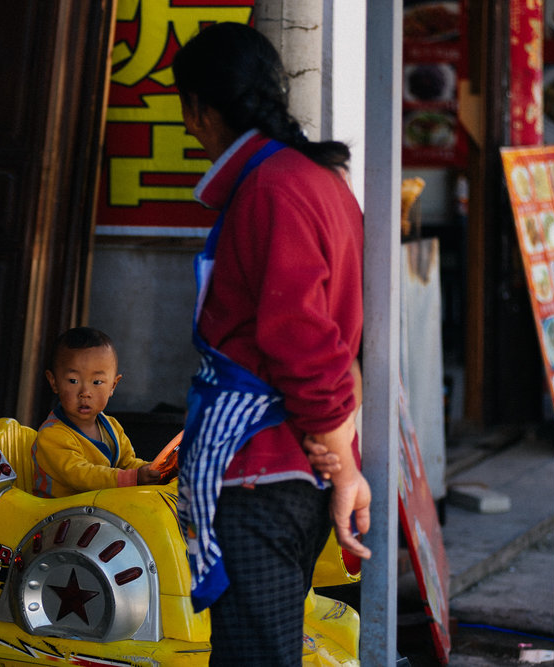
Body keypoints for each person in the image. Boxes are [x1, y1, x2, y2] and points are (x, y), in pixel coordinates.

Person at [171, 22, 371, 665]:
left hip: (263, 469)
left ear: (199, 109)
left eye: (188, 114)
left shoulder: (271, 187)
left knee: (253, 654)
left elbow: (303, 338)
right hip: (298, 464)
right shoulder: (321, 182)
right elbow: (338, 335)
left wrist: (338, 453)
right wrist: (343, 457)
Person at [31, 327, 162, 498]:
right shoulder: (52, 435)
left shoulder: (112, 427)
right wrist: (134, 478)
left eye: (97, 382)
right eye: (73, 381)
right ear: (54, 382)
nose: (85, 392)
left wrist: (155, 471)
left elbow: (128, 464)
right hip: (58, 516)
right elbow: (82, 476)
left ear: (113, 386)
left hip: (97, 512)